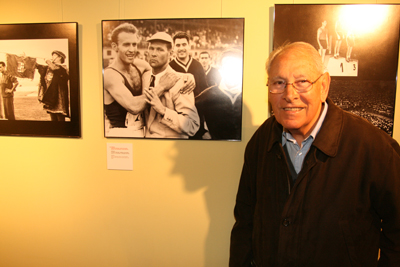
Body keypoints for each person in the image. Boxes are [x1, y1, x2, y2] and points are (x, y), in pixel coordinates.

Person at [230, 42, 400, 266]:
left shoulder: (372, 146)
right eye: (279, 83)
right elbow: (245, 222)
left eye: (302, 82)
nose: (289, 95)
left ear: (324, 86)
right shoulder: (260, 142)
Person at [103, 23, 194, 137]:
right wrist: (161, 87)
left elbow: (162, 68)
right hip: (120, 132)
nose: (132, 49)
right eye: (126, 45)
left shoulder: (140, 66)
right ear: (115, 47)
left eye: (134, 44)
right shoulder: (110, 74)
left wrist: (187, 76)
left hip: (143, 133)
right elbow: (134, 107)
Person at [143, 32, 200, 139]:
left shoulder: (181, 82)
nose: (154, 54)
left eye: (160, 50)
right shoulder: (144, 77)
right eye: (151, 48)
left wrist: (163, 111)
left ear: (171, 53)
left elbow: (192, 125)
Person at [170, 31, 209, 139]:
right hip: (178, 118)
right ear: (173, 48)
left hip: (197, 115)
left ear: (189, 46)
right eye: (178, 45)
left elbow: (205, 91)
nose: (181, 48)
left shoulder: (198, 65)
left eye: (184, 44)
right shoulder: (170, 67)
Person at [196, 49, 242, 140]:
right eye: (227, 66)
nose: (231, 70)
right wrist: (202, 132)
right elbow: (190, 118)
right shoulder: (206, 96)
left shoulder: (250, 96)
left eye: (234, 66)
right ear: (220, 69)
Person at [36, 51, 69, 121]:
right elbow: (38, 66)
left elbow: (55, 68)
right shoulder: (49, 68)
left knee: (60, 116)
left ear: (60, 57)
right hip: (51, 97)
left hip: (59, 97)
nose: (52, 57)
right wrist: (26, 59)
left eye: (54, 56)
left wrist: (47, 61)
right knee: (52, 116)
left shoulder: (63, 68)